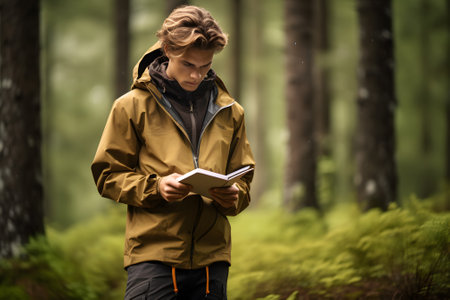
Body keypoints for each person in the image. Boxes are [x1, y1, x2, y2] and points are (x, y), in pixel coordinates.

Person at [91, 5, 255, 300]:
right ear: (167, 49)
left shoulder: (232, 112)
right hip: (153, 257)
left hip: (212, 261)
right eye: (188, 65)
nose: (196, 75)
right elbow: (107, 174)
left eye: (205, 66)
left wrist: (234, 196)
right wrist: (156, 187)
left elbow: (244, 178)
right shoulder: (131, 106)